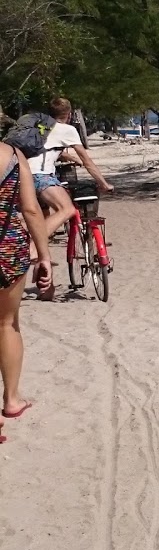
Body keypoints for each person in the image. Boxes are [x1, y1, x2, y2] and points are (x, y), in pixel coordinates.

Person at [29, 98, 114, 300]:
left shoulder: (39, 126)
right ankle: (32, 245)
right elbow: (87, 161)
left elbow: (47, 150)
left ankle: (45, 289)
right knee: (66, 209)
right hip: (40, 177)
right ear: (68, 115)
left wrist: (69, 158)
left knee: (42, 220)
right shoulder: (67, 129)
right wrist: (103, 183)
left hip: (19, 176)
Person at [0, 140, 54, 443]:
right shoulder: (11, 154)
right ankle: (11, 399)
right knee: (6, 324)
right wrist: (44, 255)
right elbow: (31, 209)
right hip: (7, 248)